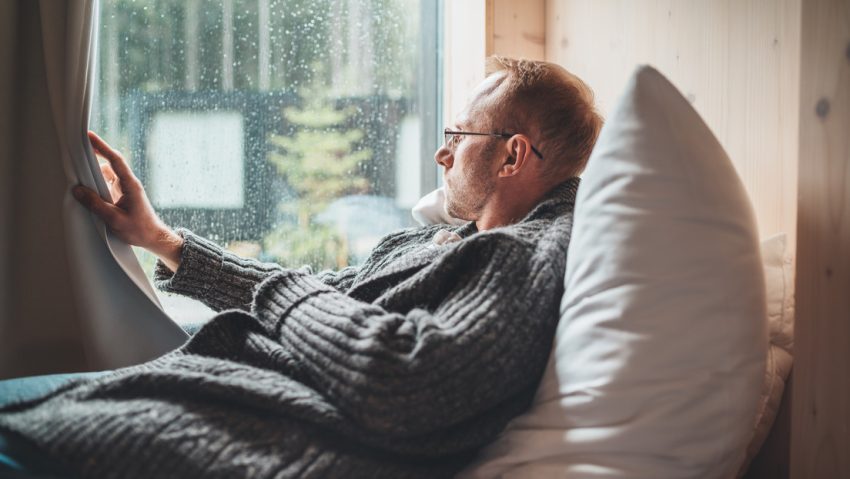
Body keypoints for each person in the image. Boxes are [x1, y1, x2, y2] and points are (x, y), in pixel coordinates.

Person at [0, 57, 602, 478]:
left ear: (512, 155)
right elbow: (319, 294)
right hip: (213, 400)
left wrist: (288, 295)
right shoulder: (436, 243)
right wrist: (160, 239)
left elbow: (411, 380)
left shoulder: (521, 254)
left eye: (458, 134)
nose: (442, 152)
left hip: (247, 438)